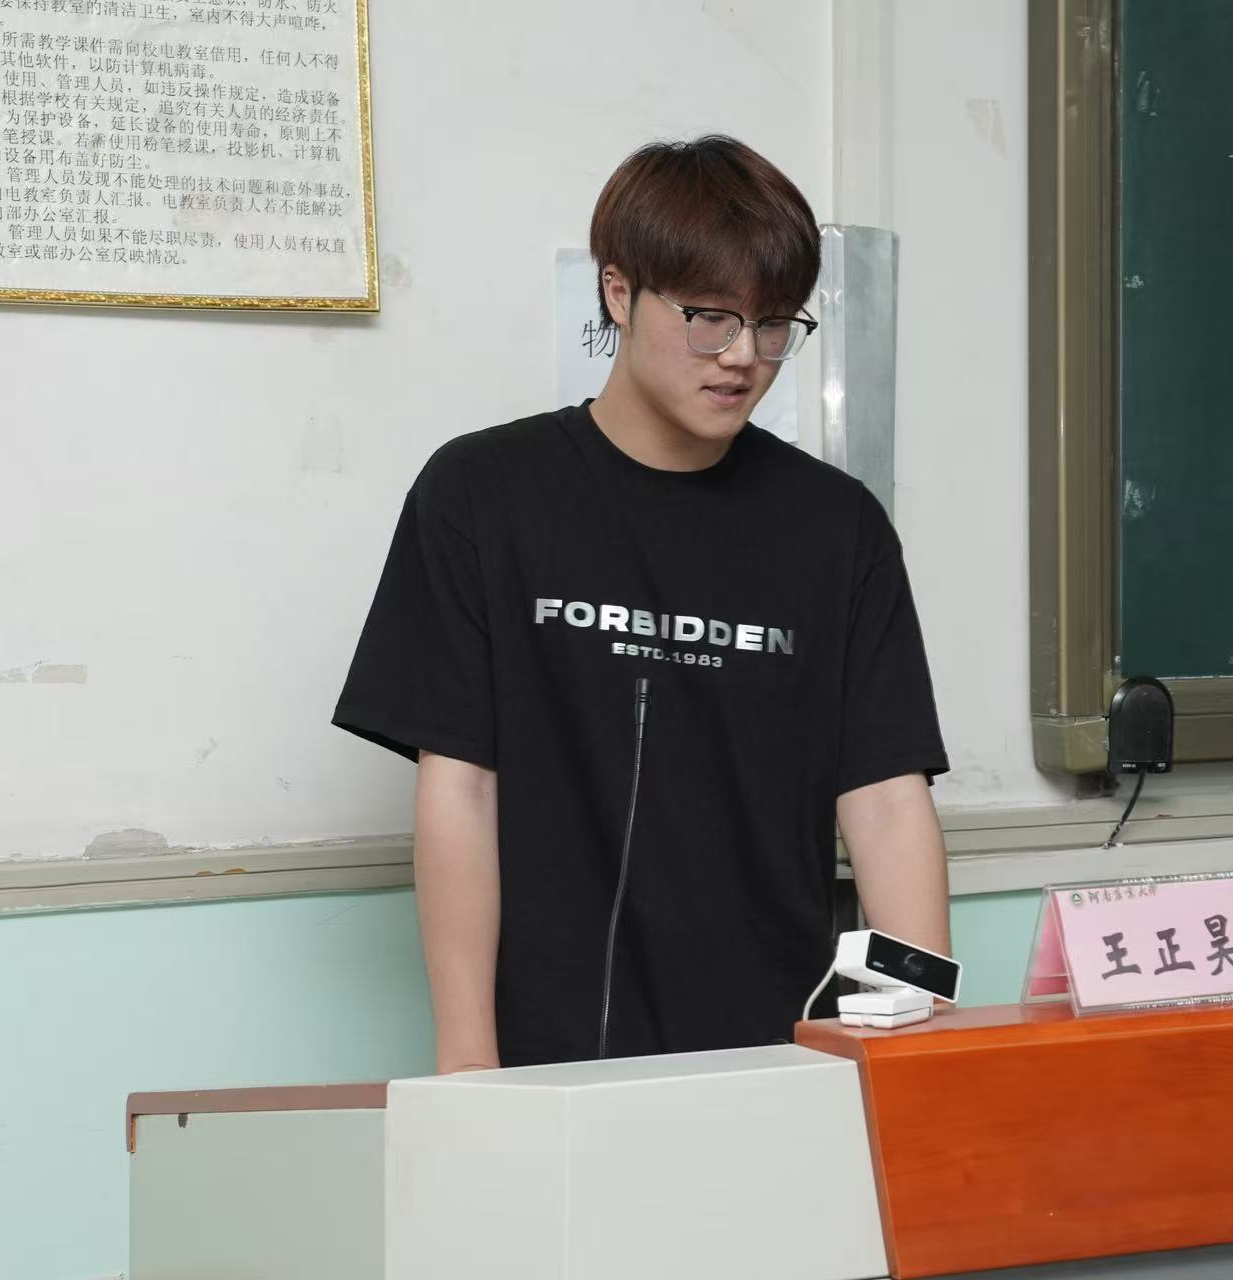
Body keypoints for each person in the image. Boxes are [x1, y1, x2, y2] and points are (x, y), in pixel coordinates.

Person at [334, 134, 951, 1071]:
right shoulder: (482, 497)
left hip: (780, 1052)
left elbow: (887, 803)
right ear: (618, 293)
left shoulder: (837, 528)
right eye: (710, 318)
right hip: (543, 1055)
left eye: (773, 325)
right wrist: (466, 1061)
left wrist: (925, 1052)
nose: (742, 357)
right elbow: (460, 788)